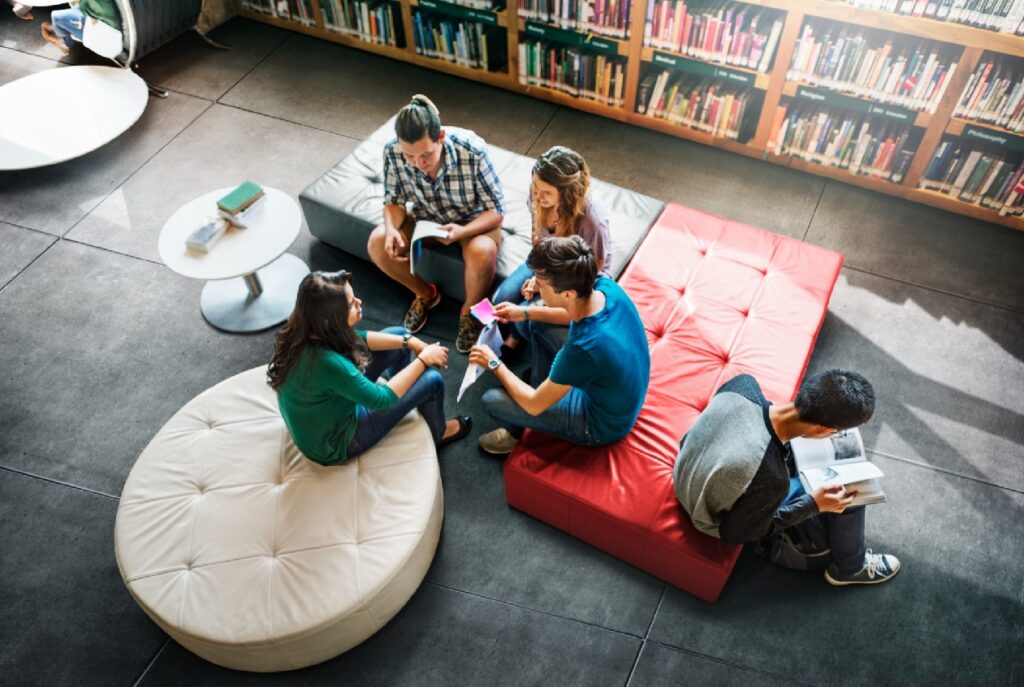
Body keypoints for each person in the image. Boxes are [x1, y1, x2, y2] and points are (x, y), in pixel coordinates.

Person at [673, 370, 901, 586]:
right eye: (838, 432)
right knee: (849, 491)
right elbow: (736, 533)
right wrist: (813, 504)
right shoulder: (771, 477)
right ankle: (851, 568)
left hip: (686, 469)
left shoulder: (743, 385)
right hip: (706, 513)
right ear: (823, 430)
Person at [268, 270, 471, 466]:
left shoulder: (306, 329)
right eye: (351, 304)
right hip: (336, 442)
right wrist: (423, 360)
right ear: (331, 319)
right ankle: (439, 432)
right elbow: (381, 399)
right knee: (432, 381)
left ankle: (408, 396)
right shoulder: (327, 363)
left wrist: (411, 342)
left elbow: (358, 339)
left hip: (326, 413)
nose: (359, 303)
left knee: (399, 335)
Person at [469, 236, 649, 455]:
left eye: (541, 285)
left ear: (567, 293)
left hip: (601, 423)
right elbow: (572, 314)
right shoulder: (605, 287)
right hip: (620, 390)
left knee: (492, 400)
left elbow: (534, 405)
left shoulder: (582, 348)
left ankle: (522, 425)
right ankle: (545, 383)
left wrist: (494, 363)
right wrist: (524, 312)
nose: (536, 288)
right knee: (537, 324)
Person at [367, 94, 505, 354]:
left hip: (472, 221)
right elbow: (393, 201)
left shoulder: (473, 151)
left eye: (426, 155)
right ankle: (426, 294)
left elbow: (496, 212)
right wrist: (392, 230)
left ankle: (470, 313)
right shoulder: (392, 152)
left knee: (482, 251)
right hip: (426, 217)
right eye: (410, 156)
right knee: (377, 242)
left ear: (441, 137)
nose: (418, 164)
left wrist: (462, 231)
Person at [491, 146, 611, 361]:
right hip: (545, 259)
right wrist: (537, 275)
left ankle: (524, 342)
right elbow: (537, 238)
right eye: (535, 187)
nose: (537, 195)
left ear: (567, 194)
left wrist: (544, 282)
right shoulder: (537, 196)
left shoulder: (592, 220)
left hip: (577, 274)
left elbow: (596, 266)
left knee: (529, 319)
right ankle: (516, 337)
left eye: (546, 192)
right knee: (502, 298)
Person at [40, 0, 121, 56]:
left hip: (100, 31)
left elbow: (93, 15)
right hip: (107, 25)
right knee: (73, 7)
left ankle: (62, 40)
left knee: (55, 17)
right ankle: (64, 32)